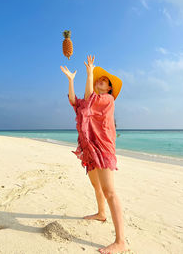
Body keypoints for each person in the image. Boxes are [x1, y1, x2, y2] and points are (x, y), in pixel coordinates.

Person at [60, 55, 133, 254]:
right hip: (89, 148)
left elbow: (90, 98)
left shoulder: (107, 100)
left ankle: (121, 241)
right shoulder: (89, 101)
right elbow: (75, 102)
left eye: (104, 81)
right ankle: (101, 213)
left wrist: (90, 71)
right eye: (99, 79)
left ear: (109, 88)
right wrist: (71, 80)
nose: (101, 81)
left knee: (109, 191)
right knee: (95, 184)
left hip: (103, 147)